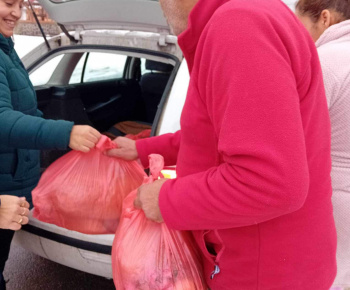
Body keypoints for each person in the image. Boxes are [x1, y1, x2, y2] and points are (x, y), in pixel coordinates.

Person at [107, 0, 337, 288]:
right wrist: (141, 149)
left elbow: (270, 182)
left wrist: (165, 199)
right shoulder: (247, 17)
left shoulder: (239, 25)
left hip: (260, 273)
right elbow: (213, 137)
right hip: (275, 263)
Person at [0, 0, 101, 289]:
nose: (16, 13)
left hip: (14, 186)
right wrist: (66, 133)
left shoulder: (6, 49)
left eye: (20, 5)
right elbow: (2, 120)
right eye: (8, 3)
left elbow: (25, 111)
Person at [295, 1, 350, 288]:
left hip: (336, 198)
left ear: (324, 18)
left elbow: (292, 135)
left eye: (300, 24)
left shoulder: (326, 60)